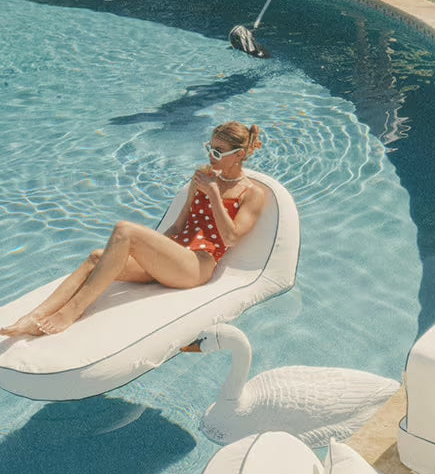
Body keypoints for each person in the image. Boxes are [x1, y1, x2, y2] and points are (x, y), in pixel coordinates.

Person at [1, 122, 266, 337]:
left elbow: (231, 237)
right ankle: (33, 318)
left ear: (239, 155)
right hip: (175, 257)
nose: (211, 155)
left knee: (125, 229)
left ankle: (70, 313)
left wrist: (214, 195)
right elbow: (178, 225)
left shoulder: (251, 193)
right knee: (96, 258)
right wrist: (150, 252)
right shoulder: (203, 177)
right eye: (210, 147)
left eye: (218, 152)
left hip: (197, 266)